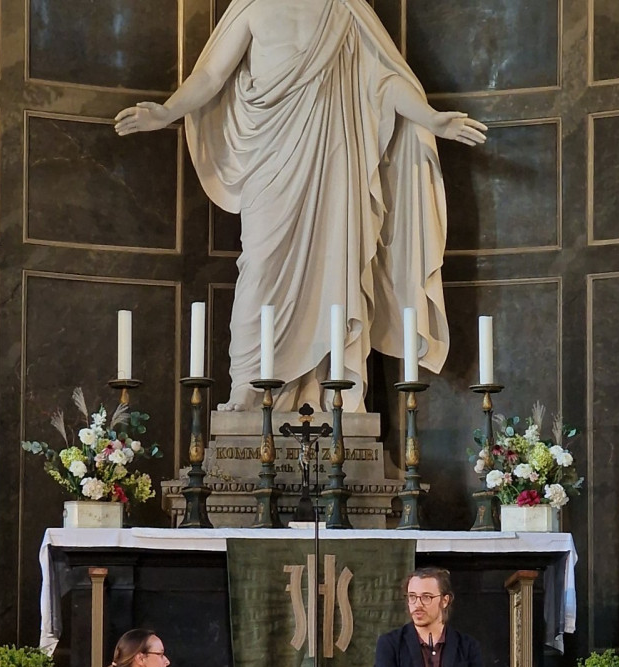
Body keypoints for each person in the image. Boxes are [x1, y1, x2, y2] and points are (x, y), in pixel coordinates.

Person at [114, 0, 487, 412]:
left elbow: (383, 82)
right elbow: (212, 74)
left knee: (334, 267)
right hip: (270, 160)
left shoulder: (345, 9)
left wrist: (431, 118)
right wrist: (167, 111)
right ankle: (250, 382)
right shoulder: (253, 5)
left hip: (333, 164)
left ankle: (333, 385)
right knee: (259, 267)